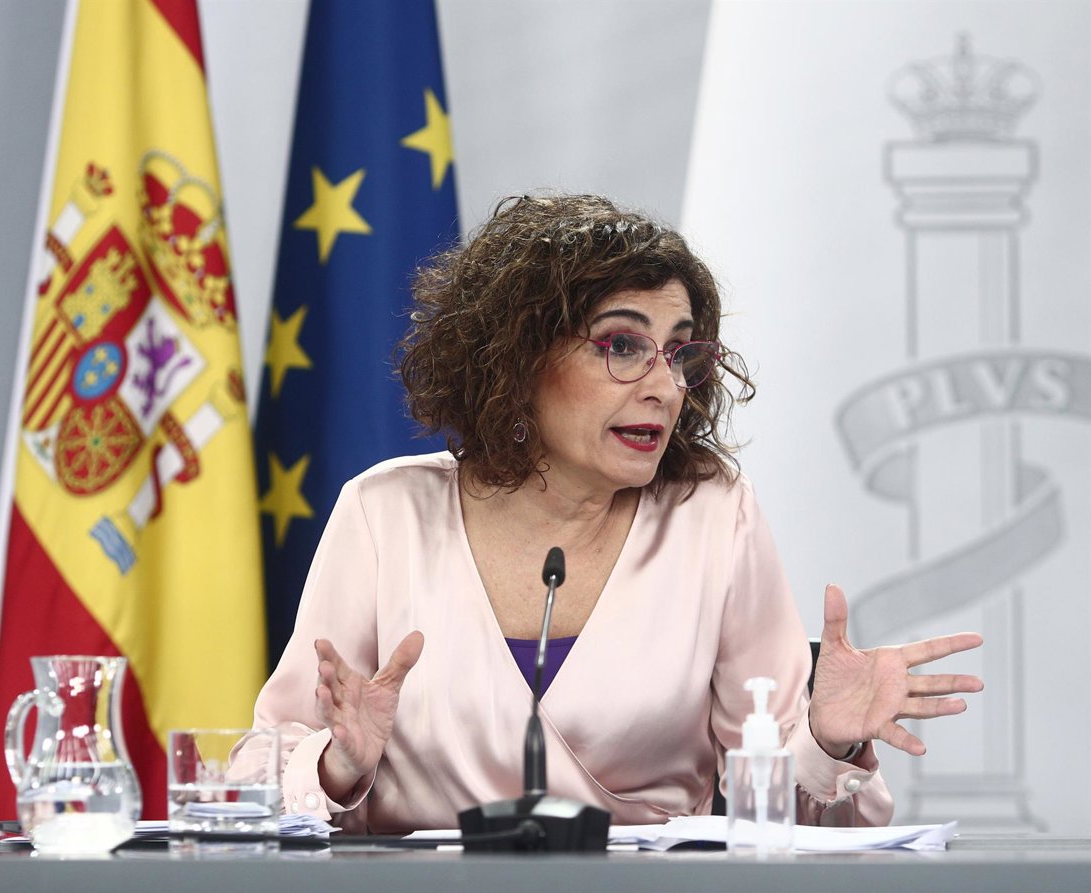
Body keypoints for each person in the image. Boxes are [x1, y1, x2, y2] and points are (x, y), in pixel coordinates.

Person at [249, 194, 983, 832]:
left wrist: (826, 741)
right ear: (518, 358)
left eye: (679, 352)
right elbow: (260, 775)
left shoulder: (711, 513)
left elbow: (809, 828)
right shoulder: (385, 513)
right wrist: (339, 764)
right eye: (623, 346)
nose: (665, 386)